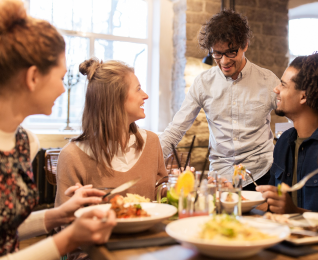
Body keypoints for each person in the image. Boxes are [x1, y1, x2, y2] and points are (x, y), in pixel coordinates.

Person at [0, 1, 116, 259]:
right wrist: (69, 239)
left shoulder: (24, 142)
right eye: (61, 77)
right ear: (32, 77)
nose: (64, 89)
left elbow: (6, 228)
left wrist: (60, 214)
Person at [159, 10, 279, 190]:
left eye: (231, 52)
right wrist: (149, 160)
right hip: (221, 179)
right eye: (217, 54)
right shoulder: (202, 83)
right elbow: (175, 130)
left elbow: (296, 118)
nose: (224, 61)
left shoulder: (268, 80)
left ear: (244, 45)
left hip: (261, 174)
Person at [55, 58, 167, 207]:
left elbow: (161, 195)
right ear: (115, 98)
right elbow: (65, 221)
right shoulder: (72, 156)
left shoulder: (152, 142)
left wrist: (180, 187)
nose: (145, 95)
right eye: (138, 88)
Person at [257, 53, 318, 214]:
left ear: (303, 96)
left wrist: (294, 211)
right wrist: (233, 196)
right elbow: (270, 204)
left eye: (283, 85)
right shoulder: (284, 142)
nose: (276, 89)